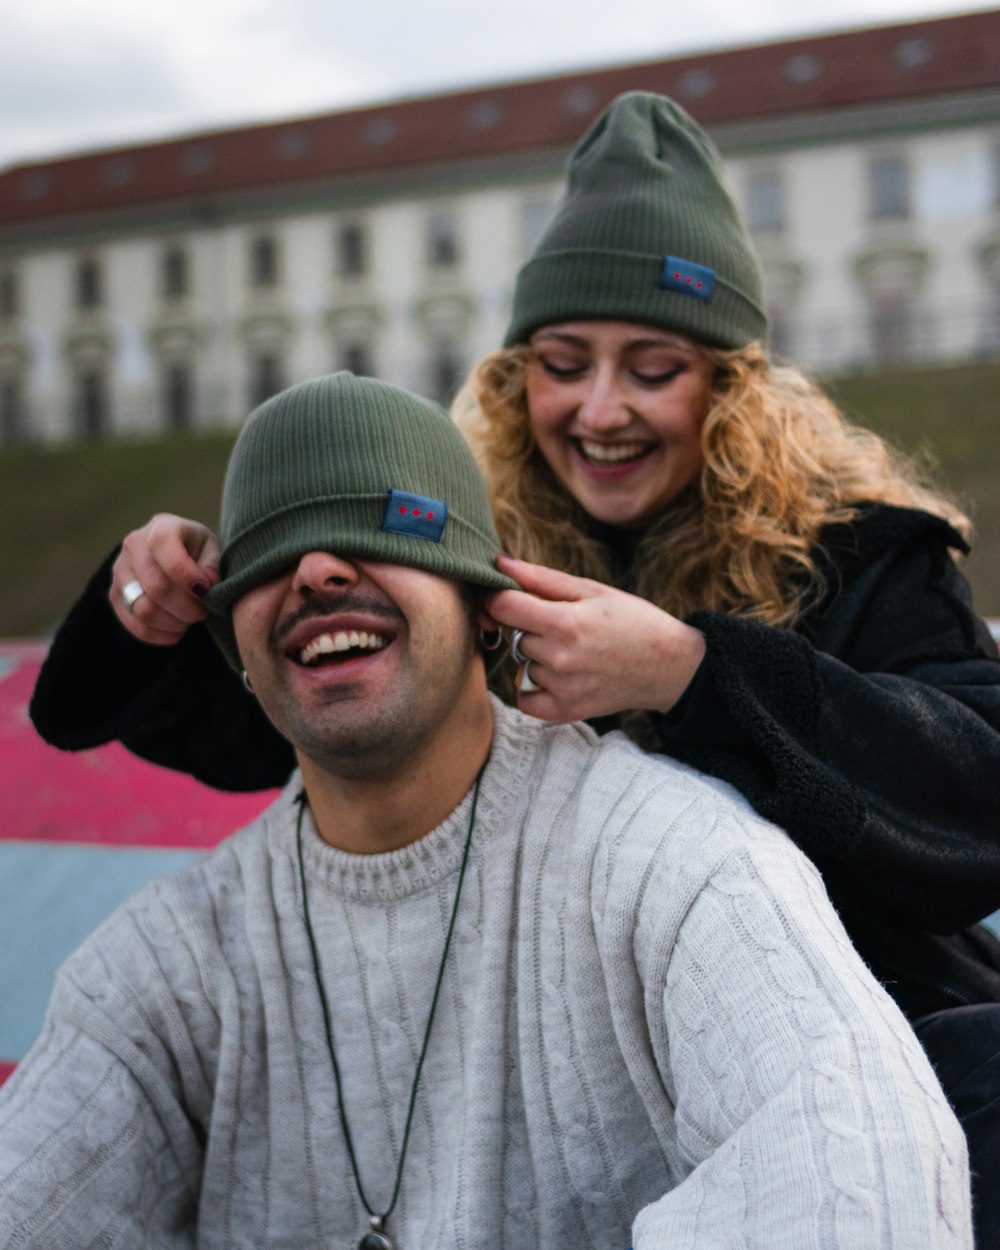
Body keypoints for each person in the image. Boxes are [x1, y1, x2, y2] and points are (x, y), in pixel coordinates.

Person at [29, 93, 1000, 1236]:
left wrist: (690, 672)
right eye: (562, 361)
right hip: (563, 1050)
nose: (600, 409)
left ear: (731, 386)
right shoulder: (462, 549)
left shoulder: (857, 552)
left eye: (652, 367)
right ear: (513, 376)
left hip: (840, 1024)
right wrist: (147, 608)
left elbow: (973, 791)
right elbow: (309, 726)